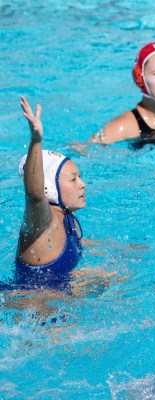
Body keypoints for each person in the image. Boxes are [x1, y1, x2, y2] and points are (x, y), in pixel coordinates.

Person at [11, 97, 86, 293]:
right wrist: (36, 140)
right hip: (33, 311)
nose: (82, 184)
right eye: (73, 179)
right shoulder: (43, 223)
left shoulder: (67, 218)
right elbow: (34, 195)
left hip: (60, 299)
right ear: (49, 188)